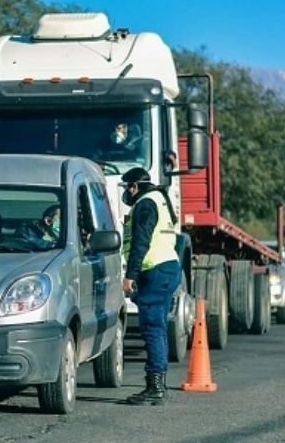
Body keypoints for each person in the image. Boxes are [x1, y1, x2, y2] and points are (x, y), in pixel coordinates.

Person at [120, 167, 181, 406]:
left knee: (153, 328)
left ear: (134, 186)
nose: (126, 192)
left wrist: (130, 275)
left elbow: (140, 243)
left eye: (127, 187)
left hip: (154, 270)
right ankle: (158, 385)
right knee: (159, 328)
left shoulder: (145, 204)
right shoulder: (160, 199)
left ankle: (155, 387)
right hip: (167, 268)